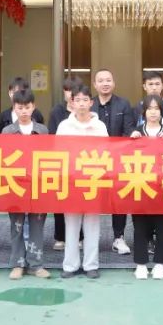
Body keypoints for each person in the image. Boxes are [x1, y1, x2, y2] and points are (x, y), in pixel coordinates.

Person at [57, 85, 108, 278]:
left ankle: (91, 265)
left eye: (85, 100)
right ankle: (70, 265)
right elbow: (58, 153)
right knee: (71, 224)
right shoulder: (64, 126)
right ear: (72, 103)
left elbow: (106, 153)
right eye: (77, 100)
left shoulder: (100, 126)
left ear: (91, 103)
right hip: (71, 180)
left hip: (93, 179)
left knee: (92, 224)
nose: (81, 104)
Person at [1, 88, 51, 280]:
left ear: (33, 107)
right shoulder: (7, 132)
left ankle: (36, 264)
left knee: (37, 225)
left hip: (37, 184)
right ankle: (17, 264)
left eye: (27, 107)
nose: (24, 111)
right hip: (15, 184)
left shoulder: (42, 130)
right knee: (17, 226)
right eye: (20, 108)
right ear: (14, 107)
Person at [91, 68, 135, 255]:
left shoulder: (123, 104)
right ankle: (88, 237)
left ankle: (119, 237)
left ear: (114, 83)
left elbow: (128, 131)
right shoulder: (89, 104)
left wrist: (115, 152)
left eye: (108, 80)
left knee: (119, 199)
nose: (105, 83)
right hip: (92, 161)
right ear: (95, 84)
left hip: (118, 160)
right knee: (91, 197)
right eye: (101, 80)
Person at [130, 94, 163, 280]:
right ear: (144, 112)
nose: (153, 112)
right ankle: (140, 264)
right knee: (140, 226)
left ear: (161, 112)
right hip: (140, 185)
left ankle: (160, 264)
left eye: (157, 109)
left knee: (162, 225)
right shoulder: (137, 131)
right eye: (150, 109)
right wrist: (131, 141)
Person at [47, 75, 83, 250]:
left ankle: (80, 237)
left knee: (81, 199)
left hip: (82, 162)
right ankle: (60, 236)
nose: (71, 94)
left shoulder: (85, 110)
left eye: (74, 91)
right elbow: (52, 136)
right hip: (62, 162)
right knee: (60, 199)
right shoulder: (57, 111)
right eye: (68, 90)